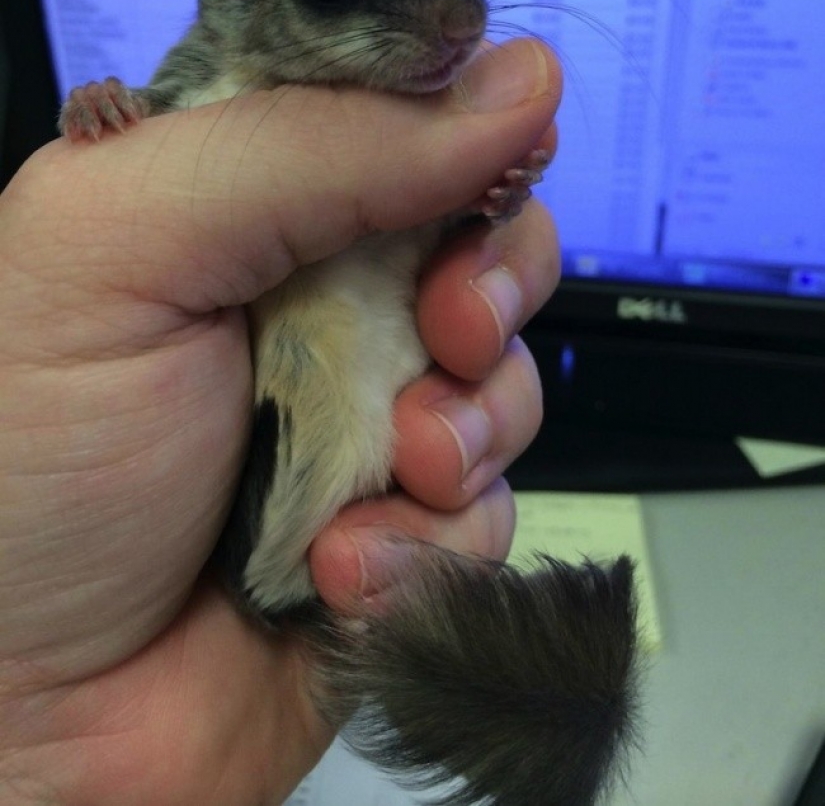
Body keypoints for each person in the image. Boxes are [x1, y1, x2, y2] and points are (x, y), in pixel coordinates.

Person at [0, 39, 562, 804]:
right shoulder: (221, 92)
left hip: (324, 481)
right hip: (284, 488)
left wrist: (489, 187)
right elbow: (149, 137)